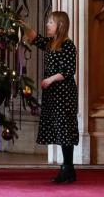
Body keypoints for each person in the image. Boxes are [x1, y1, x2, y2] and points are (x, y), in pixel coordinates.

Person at [22, 11, 79, 184]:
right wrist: (21, 24)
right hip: (53, 94)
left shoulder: (68, 45)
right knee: (60, 129)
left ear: (60, 25)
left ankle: (67, 168)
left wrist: (49, 79)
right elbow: (35, 37)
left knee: (64, 130)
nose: (47, 25)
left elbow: (69, 71)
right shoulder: (51, 43)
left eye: (51, 22)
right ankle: (68, 170)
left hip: (64, 93)